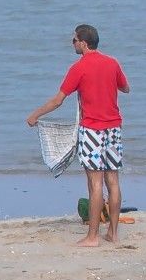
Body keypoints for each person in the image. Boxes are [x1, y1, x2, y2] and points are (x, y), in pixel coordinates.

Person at [28, 23, 132, 248]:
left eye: (74, 40)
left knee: (95, 183)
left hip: (93, 130)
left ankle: (93, 237)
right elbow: (126, 88)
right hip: (113, 128)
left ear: (83, 43)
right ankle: (113, 234)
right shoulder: (112, 63)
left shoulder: (79, 68)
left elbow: (58, 100)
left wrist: (35, 114)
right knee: (112, 180)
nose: (72, 43)